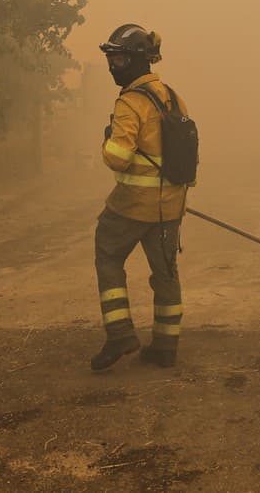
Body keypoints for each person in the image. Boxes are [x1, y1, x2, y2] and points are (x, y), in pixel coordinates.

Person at [90, 23, 189, 371]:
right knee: (165, 273)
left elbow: (117, 156)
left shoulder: (131, 103)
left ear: (134, 61)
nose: (112, 67)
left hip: (132, 206)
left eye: (117, 60)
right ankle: (165, 346)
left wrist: (107, 141)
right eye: (110, 59)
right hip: (171, 206)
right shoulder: (173, 97)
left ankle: (119, 335)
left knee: (107, 254)